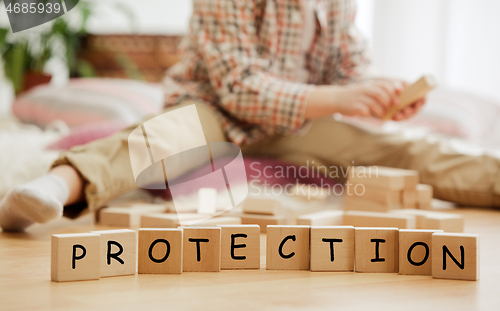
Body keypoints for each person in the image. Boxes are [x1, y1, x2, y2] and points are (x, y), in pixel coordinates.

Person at [1, 0, 499, 231]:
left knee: (402, 150)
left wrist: (377, 96)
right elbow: (239, 86)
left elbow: (350, 69)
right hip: (214, 109)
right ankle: (54, 190)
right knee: (161, 138)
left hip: (297, 123)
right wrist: (339, 99)